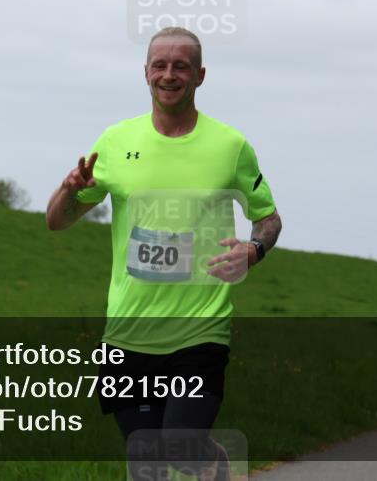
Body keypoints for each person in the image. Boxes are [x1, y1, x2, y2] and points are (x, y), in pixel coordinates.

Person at [46, 26, 282, 481]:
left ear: (200, 76)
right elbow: (57, 221)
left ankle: (212, 462)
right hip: (128, 332)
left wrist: (253, 250)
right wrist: (68, 190)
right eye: (160, 65)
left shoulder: (230, 147)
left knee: (179, 445)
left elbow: (269, 218)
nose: (169, 75)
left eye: (181, 66)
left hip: (200, 330)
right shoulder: (114, 142)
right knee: (146, 461)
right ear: (146, 73)